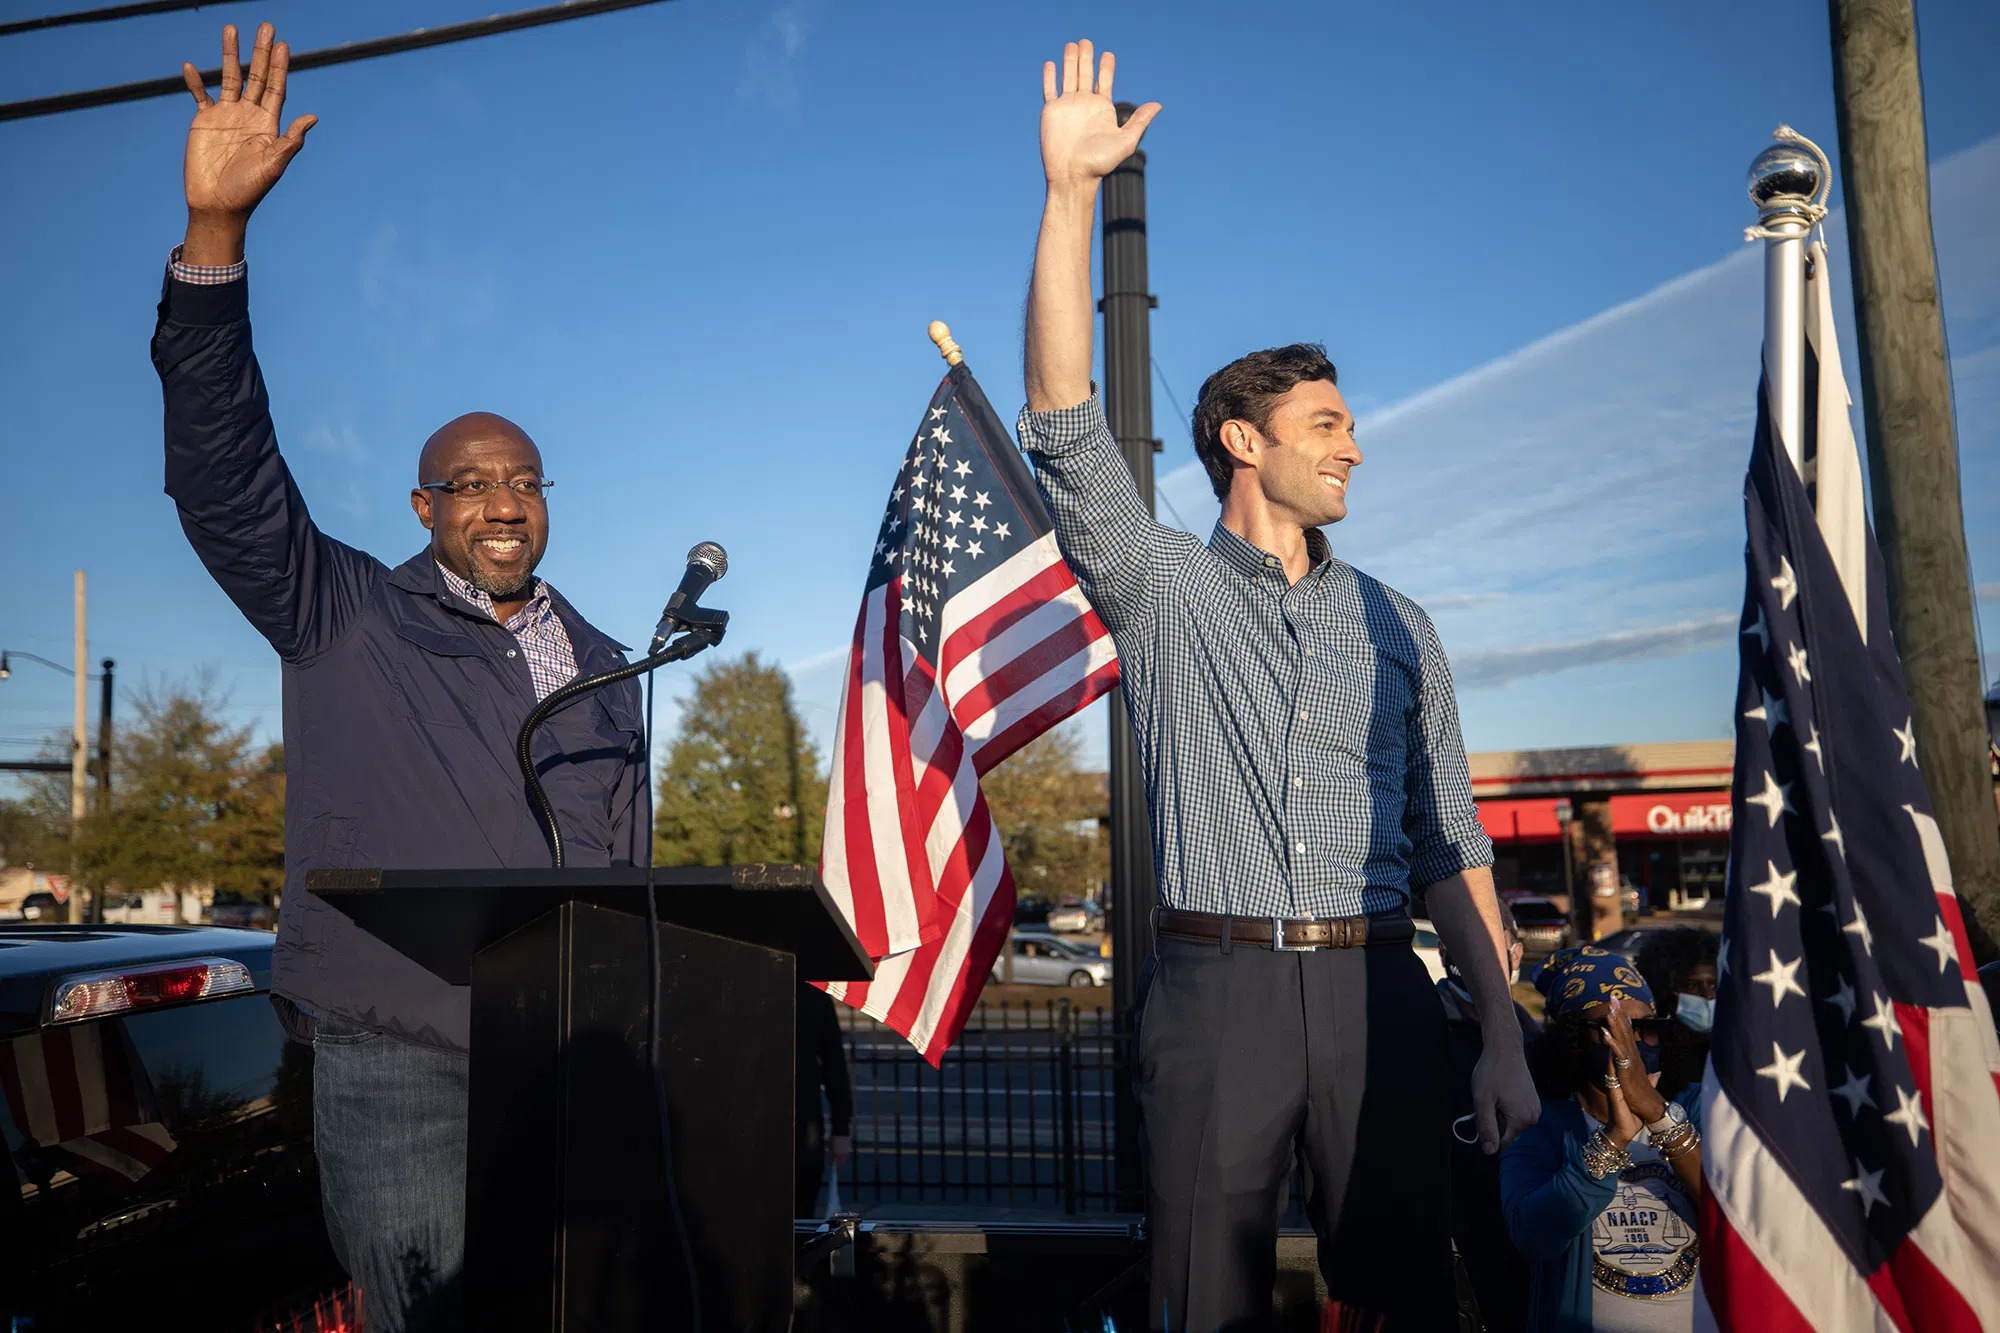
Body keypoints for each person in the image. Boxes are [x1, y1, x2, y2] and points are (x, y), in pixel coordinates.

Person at [1017, 40, 1538, 1330]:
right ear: (1241, 443)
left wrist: (1501, 1035)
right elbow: (1063, 419)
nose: (1353, 444)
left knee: (1409, 1295)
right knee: (1202, 1305)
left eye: (1349, 424)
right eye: (1325, 424)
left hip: (1383, 989)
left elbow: (1447, 837)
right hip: (1217, 994)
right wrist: (1070, 195)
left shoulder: (1398, 622)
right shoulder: (1161, 588)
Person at [152, 24, 648, 1332]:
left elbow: (616, 865)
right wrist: (214, 241)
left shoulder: (604, 662)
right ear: (425, 505)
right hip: (399, 1061)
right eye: (472, 481)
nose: (502, 498)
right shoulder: (347, 613)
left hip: (561, 1058)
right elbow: (225, 479)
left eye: (524, 479)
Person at [1501, 948, 1702, 1332]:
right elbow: (1533, 1234)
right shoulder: (1542, 1127)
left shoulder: (1697, 1107)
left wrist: (1658, 1117)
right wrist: (1613, 1140)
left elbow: (1737, 1210)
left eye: (1644, 1028)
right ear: (1572, 1038)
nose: (1628, 1044)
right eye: (1610, 1028)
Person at [1438, 906, 1540, 1332]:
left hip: (1521, 1226)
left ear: (1517, 952)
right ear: (1446, 951)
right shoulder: (1424, 1023)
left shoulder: (1528, 1030)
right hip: (1459, 1230)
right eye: (1469, 937)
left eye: (1497, 939)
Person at [1630, 928, 1718, 1099]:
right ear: (1666, 989)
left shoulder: (1734, 1043)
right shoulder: (1649, 1048)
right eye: (1692, 986)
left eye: (1714, 985)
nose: (1708, 996)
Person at [795, 981, 855, 1218]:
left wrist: (841, 1129)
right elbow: (835, 1068)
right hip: (802, 1125)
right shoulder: (812, 995)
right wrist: (841, 1130)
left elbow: (834, 1068)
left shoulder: (812, 997)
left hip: (800, 1123)